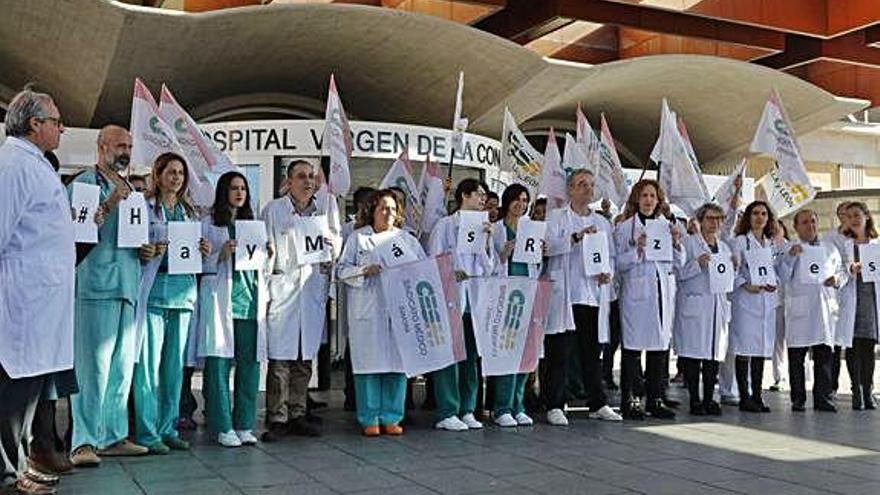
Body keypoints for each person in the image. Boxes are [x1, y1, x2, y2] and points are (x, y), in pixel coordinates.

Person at [0, 89, 74, 495]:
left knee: (28, 390)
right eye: (56, 121)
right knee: (13, 392)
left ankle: (18, 465)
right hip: (21, 299)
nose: (61, 128)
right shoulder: (12, 165)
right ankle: (6, 475)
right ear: (35, 124)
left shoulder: (33, 163)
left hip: (41, 301)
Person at [69, 125, 148, 466]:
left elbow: (130, 236)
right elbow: (76, 233)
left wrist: (144, 250)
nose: (125, 151)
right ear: (101, 147)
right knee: (93, 368)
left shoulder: (132, 187)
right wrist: (109, 203)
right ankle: (83, 441)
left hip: (127, 284)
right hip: (96, 285)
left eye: (129, 145)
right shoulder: (86, 183)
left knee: (120, 368)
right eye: (119, 145)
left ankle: (113, 435)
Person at [130, 152, 206, 454]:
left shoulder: (190, 211)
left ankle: (168, 427)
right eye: (171, 172)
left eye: (180, 173)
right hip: (154, 293)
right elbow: (134, 245)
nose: (176, 178)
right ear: (158, 174)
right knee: (149, 366)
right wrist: (146, 250)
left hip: (182, 294)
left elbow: (193, 254)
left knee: (174, 368)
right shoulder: (145, 207)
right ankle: (148, 433)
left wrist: (203, 247)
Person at [338, 189, 426, 436]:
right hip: (368, 311)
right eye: (383, 208)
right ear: (373, 211)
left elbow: (423, 270)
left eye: (393, 209)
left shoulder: (407, 240)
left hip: (399, 313)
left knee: (396, 366)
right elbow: (341, 270)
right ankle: (369, 418)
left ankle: (392, 417)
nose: (388, 213)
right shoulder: (358, 238)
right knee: (368, 366)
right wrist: (364, 270)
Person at [260, 159, 337, 441]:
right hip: (283, 292)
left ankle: (297, 413)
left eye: (312, 177)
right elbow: (263, 253)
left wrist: (331, 249)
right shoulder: (273, 210)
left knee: (304, 359)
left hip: (311, 292)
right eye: (302, 176)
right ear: (288, 181)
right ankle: (277, 417)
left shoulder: (323, 212)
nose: (308, 182)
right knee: (280, 360)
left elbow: (333, 252)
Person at [543, 171, 622, 425]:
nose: (587, 189)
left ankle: (597, 403)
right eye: (581, 184)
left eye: (590, 184)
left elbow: (609, 256)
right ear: (570, 190)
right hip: (565, 293)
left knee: (592, 352)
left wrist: (606, 274)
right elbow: (547, 248)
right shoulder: (556, 217)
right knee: (561, 351)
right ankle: (555, 404)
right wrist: (576, 238)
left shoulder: (602, 222)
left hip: (591, 295)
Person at [198, 171, 269, 447]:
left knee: (249, 367)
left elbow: (261, 267)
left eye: (243, 188)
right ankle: (222, 425)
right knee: (218, 366)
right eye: (233, 188)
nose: (239, 193)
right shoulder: (208, 224)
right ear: (223, 192)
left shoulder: (254, 225)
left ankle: (244, 424)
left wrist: (268, 253)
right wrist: (220, 254)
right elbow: (197, 263)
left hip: (250, 305)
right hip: (221, 302)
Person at [428, 178, 495, 431]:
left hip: (473, 301)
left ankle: (468, 409)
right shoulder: (445, 225)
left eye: (485, 195)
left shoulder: (483, 227)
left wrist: (488, 241)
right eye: (479, 194)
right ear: (464, 195)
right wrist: (450, 272)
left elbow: (489, 268)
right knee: (450, 356)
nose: (483, 200)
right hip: (451, 298)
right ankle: (447, 410)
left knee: (471, 358)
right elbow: (434, 259)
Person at [613, 179, 683, 420]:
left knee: (659, 349)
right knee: (632, 349)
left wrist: (676, 243)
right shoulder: (624, 228)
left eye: (653, 196)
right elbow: (618, 264)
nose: (648, 200)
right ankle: (630, 400)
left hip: (661, 293)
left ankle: (655, 399)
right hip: (636, 294)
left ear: (658, 200)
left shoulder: (666, 226)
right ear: (636, 199)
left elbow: (678, 264)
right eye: (644, 195)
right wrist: (637, 250)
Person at [777, 209, 845, 412]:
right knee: (797, 357)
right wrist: (790, 258)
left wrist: (838, 280)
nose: (810, 225)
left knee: (824, 356)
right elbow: (782, 276)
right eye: (805, 222)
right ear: (796, 227)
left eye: (813, 221)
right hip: (800, 310)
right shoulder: (789, 248)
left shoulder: (830, 248)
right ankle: (798, 398)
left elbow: (841, 270)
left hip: (824, 308)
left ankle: (823, 397)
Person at [674, 203, 732, 416]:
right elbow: (678, 273)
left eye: (718, 219)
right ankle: (695, 399)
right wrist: (697, 264)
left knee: (712, 356)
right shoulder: (689, 244)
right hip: (694, 305)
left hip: (717, 307)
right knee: (692, 355)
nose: (714, 223)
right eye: (710, 218)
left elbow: (727, 281)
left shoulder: (724, 247)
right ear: (700, 220)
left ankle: (709, 398)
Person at [489, 184, 539, 427]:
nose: (521, 204)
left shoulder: (531, 229)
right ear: (507, 201)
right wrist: (501, 255)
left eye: (525, 200)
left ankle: (519, 405)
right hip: (505, 297)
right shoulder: (497, 230)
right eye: (517, 199)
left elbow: (535, 265)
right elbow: (487, 264)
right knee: (507, 353)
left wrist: (542, 253)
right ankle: (502, 407)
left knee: (524, 354)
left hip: (527, 294)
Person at [728, 201, 779, 413]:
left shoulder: (771, 244)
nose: (760, 217)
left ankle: (757, 395)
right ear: (748, 216)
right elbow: (733, 271)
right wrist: (745, 284)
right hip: (746, 302)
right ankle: (744, 396)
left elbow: (775, 270)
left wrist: (772, 281)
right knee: (744, 349)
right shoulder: (740, 242)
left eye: (764, 214)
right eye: (755, 213)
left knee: (760, 350)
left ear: (768, 218)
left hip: (766, 301)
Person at [837, 202, 880, 410]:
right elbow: (837, 271)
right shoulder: (844, 245)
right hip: (852, 300)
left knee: (868, 347)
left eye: (857, 215)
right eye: (850, 216)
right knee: (853, 347)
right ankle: (856, 391)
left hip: (871, 301)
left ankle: (868, 389)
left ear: (866, 217)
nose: (854, 219)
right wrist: (849, 269)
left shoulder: (876, 244)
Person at [769, 219, 790, 393]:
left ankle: (801, 376)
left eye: (778, 227)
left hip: (794, 300)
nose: (776, 230)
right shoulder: (767, 249)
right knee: (778, 341)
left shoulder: (793, 247)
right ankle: (779, 376)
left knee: (798, 341)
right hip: (776, 301)